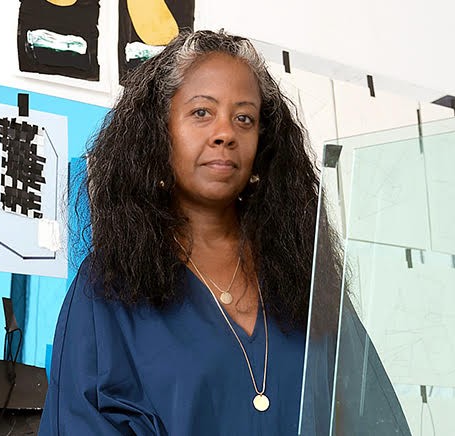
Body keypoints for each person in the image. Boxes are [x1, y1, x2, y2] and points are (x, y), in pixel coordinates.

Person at [39, 29, 372, 435]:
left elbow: (368, 415)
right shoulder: (107, 287)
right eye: (201, 112)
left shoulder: (306, 275)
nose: (225, 133)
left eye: (244, 118)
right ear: (159, 133)